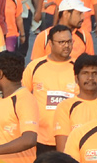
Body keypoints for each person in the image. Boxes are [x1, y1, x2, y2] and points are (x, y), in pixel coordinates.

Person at [23, 26, 79, 154]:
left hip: (70, 138)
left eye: (69, 42)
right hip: (40, 139)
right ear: (50, 43)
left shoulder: (78, 68)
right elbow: (21, 98)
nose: (66, 46)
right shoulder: (34, 66)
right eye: (61, 42)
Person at [53, 54, 97, 154]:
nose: (90, 78)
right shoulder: (65, 107)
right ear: (76, 78)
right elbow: (63, 150)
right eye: (85, 73)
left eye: (95, 73)